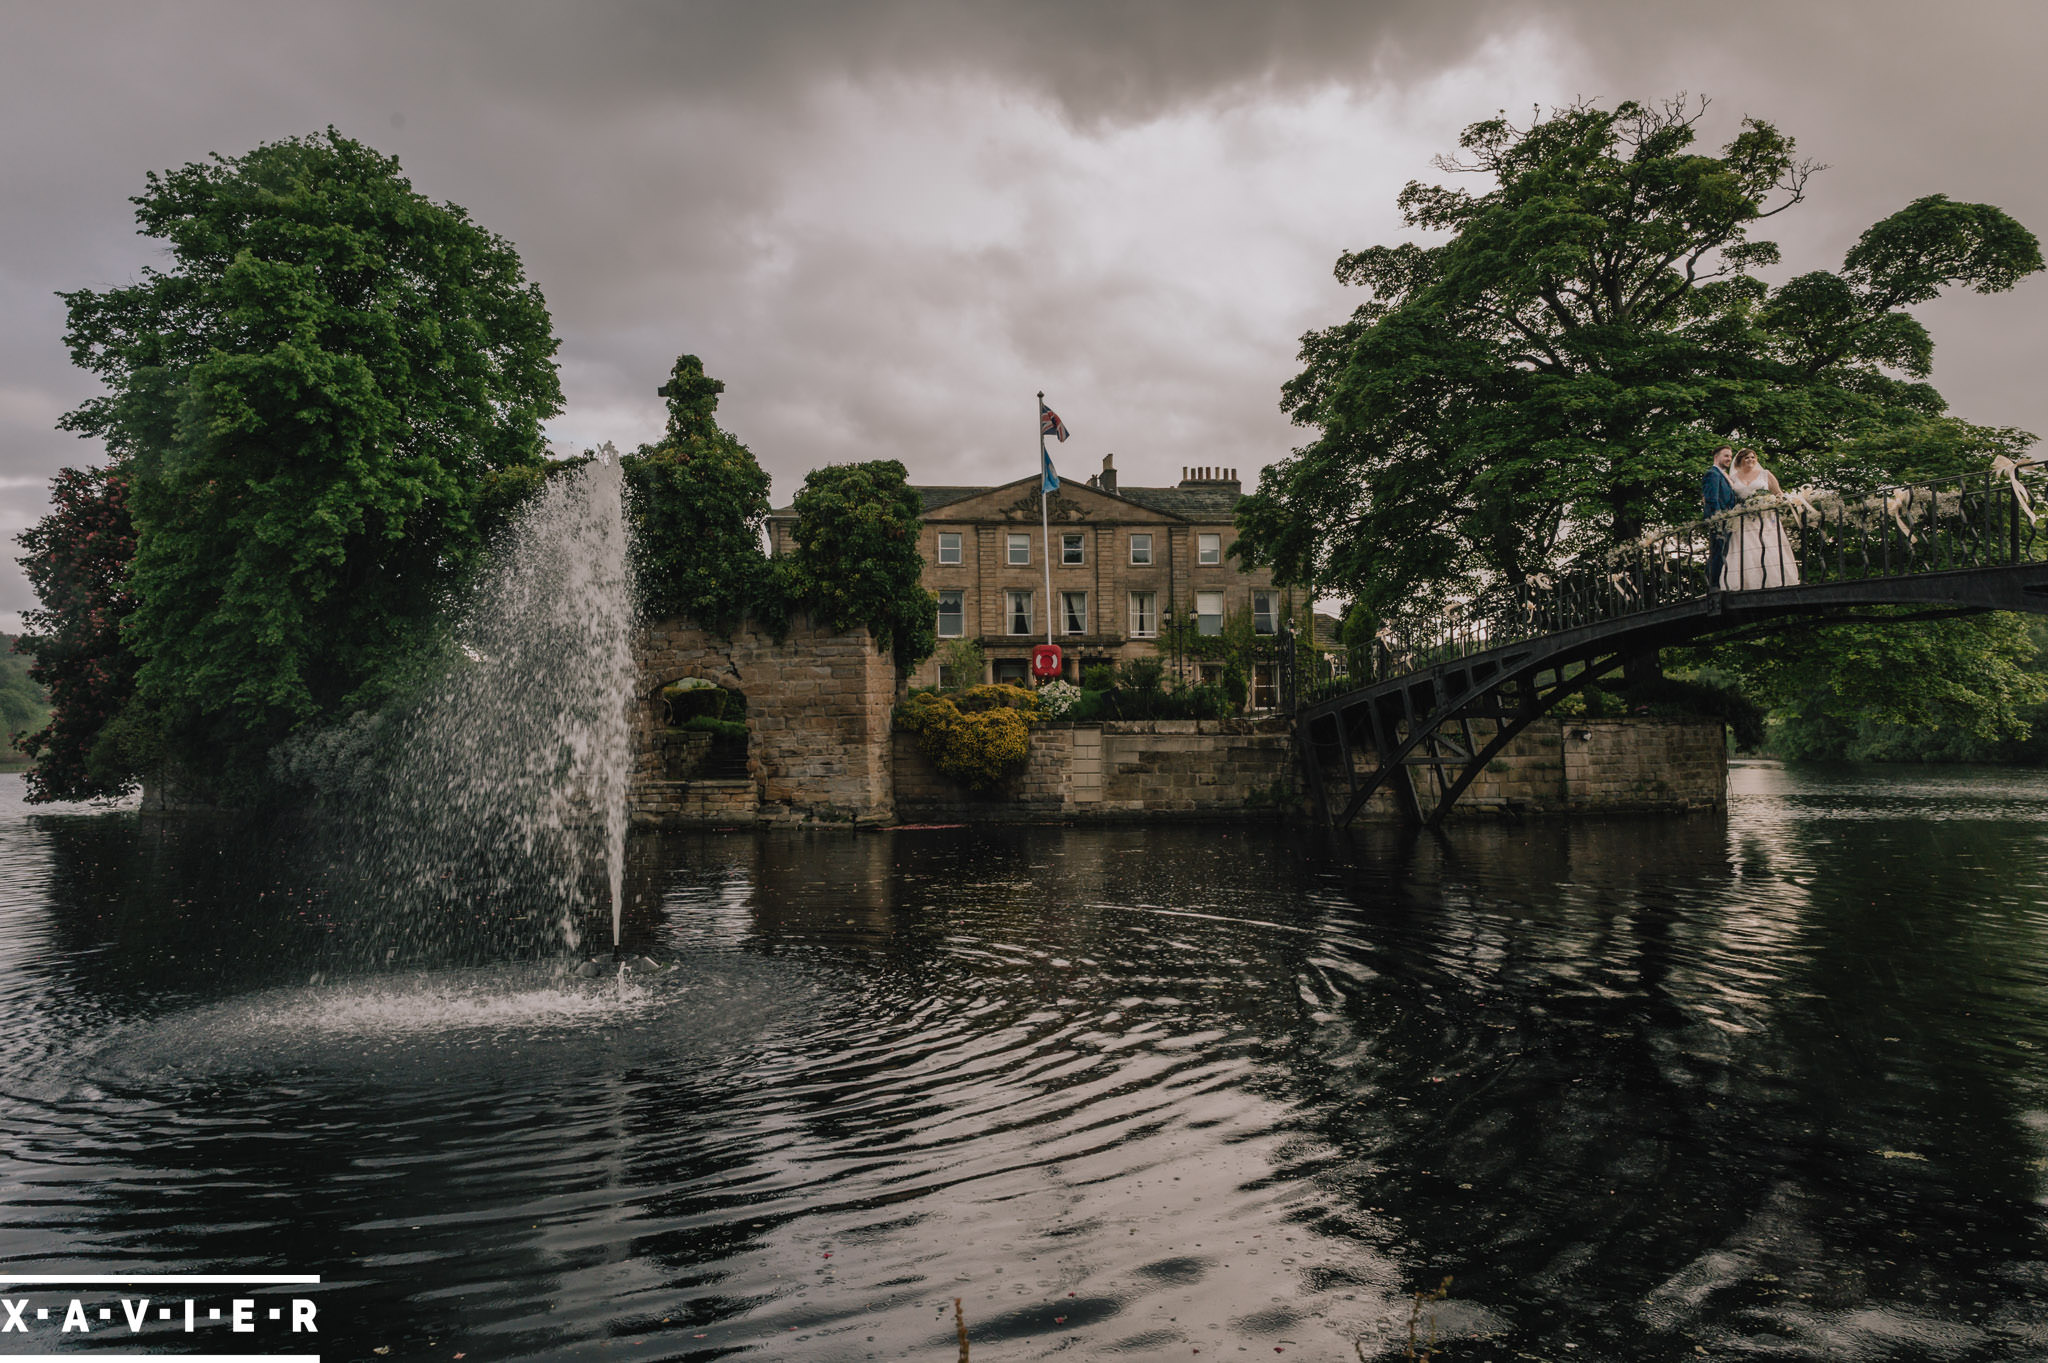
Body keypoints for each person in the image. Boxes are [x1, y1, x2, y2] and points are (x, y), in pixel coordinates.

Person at [1719, 447, 1801, 589]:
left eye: (1753, 457)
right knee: (1746, 548)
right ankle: (1746, 583)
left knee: (1768, 546)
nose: (1750, 460)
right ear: (1740, 461)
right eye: (1747, 458)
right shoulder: (1732, 478)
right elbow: (1728, 498)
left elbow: (1779, 494)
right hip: (1743, 519)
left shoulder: (1765, 474)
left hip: (1765, 518)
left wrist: (1769, 502)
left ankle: (1774, 581)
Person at [1701, 445, 1738, 589]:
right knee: (1718, 552)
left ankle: (1718, 583)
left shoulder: (1724, 475)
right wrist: (1718, 519)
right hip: (1719, 521)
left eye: (1730, 456)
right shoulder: (1713, 474)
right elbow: (1712, 499)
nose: (1729, 458)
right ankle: (1714, 585)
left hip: (1727, 521)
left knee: (1722, 552)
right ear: (1716, 457)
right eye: (1726, 455)